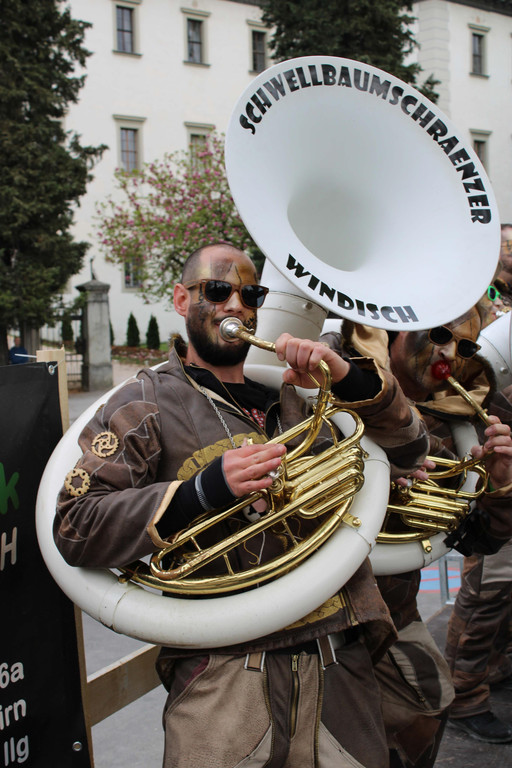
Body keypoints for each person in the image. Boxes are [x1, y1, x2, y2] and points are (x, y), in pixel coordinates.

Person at [54, 242, 430, 768]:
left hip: (338, 661)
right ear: (182, 300)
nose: (236, 304)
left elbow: (411, 450)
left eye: (251, 294)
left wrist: (346, 376)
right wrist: (202, 491)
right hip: (225, 673)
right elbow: (75, 525)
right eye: (217, 290)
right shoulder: (144, 403)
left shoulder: (301, 395)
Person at [323, 306, 512, 766]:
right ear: (395, 330)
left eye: (466, 346)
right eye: (438, 335)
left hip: (392, 606)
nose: (450, 354)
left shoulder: (464, 415)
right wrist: (369, 477)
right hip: (319, 615)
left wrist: (501, 487)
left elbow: (478, 540)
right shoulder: (331, 382)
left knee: (429, 705)